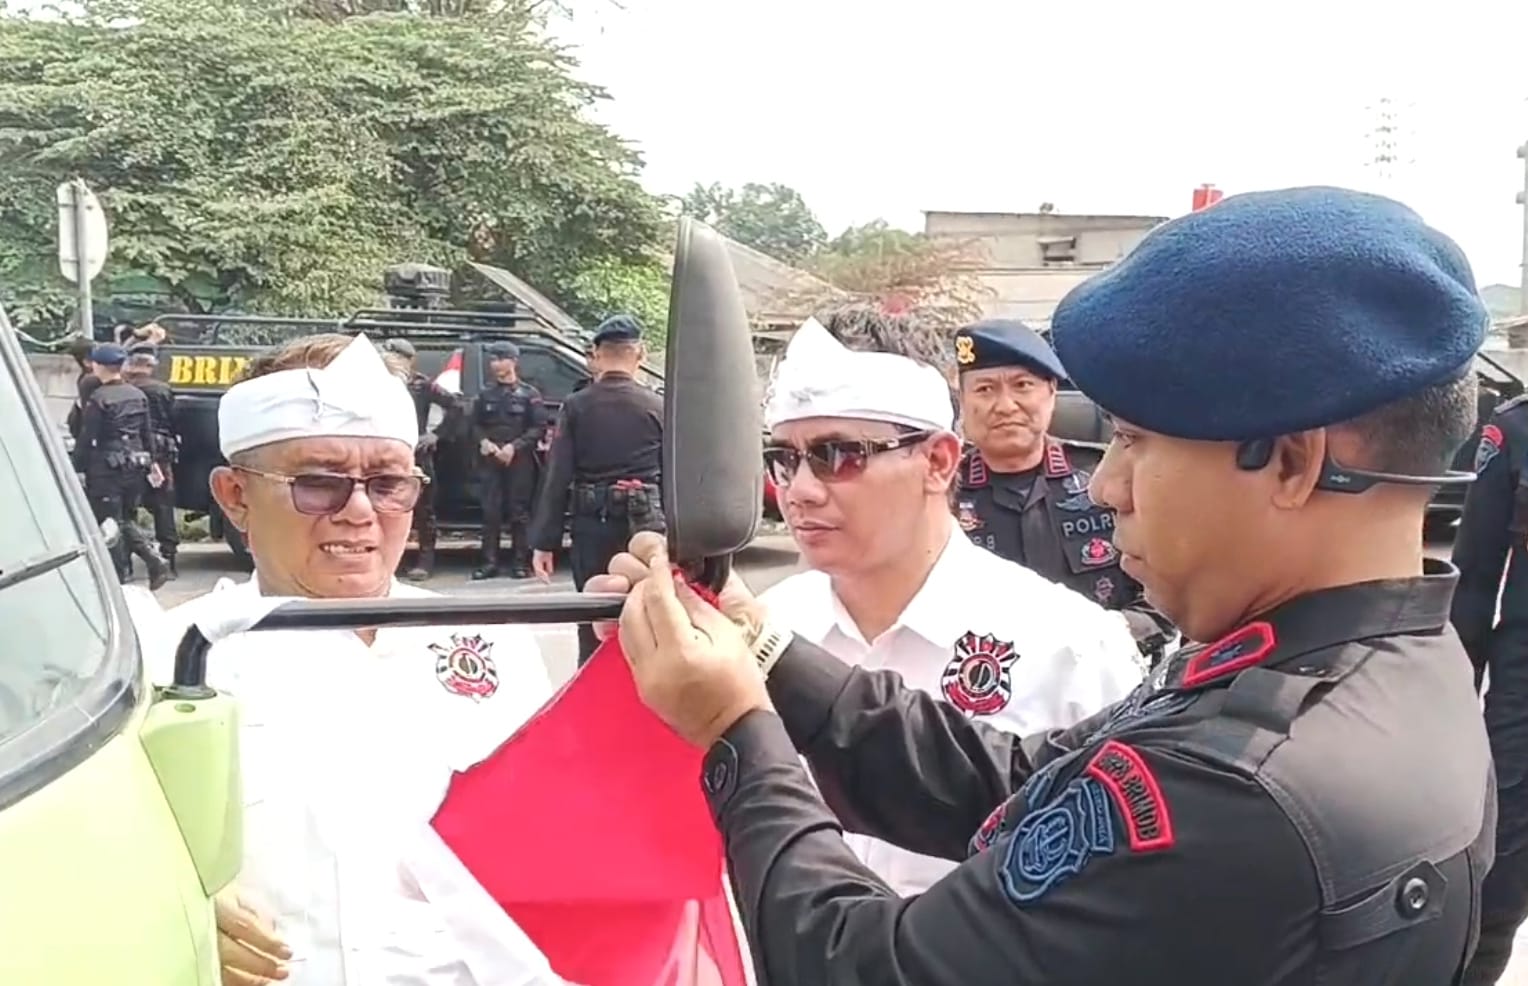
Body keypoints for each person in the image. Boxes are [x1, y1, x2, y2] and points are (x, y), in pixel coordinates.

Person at [593, 186, 1496, 985]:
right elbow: (1020, 782)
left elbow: (871, 967)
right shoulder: (1375, 670)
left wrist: (735, 733)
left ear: (1291, 462)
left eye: (1135, 441)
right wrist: (759, 650)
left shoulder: (1244, 786)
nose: (1106, 487)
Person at [151, 332, 559, 986]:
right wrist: (175, 913)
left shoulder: (491, 644)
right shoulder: (167, 663)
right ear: (234, 496)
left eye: (389, 484)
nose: (360, 512)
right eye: (318, 485)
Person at [757, 318, 1142, 894]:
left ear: (938, 462)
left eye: (838, 455)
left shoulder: (1072, 649)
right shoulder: (763, 630)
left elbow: (1124, 884)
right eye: (784, 459)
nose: (801, 491)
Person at [953, 318, 1176, 662]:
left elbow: (1167, 595)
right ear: (963, 401)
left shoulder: (1109, 479)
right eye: (985, 389)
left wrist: (1101, 640)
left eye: (1022, 385)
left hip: (1106, 669)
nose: (1005, 405)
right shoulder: (940, 493)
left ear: (1051, 392)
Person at [530, 314, 664, 665]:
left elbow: (557, 474)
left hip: (593, 521)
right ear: (640, 354)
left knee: (593, 614)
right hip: (648, 525)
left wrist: (545, 541)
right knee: (651, 613)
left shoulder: (577, 406)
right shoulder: (658, 406)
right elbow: (675, 475)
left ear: (597, 355)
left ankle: (592, 681)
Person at [1451, 394, 1528, 983]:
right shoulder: (1516, 431)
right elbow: (1474, 578)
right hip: (1523, 698)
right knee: (1496, 881)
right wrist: (1451, 702)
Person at [71, 343, 171, 590]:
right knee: (125, 517)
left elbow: (88, 437)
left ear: (98, 366)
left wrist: (77, 467)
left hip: (107, 468)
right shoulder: (137, 394)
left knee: (111, 522)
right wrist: (153, 463)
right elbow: (146, 433)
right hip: (136, 465)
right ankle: (146, 563)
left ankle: (130, 571)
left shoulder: (99, 398)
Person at [381, 337, 459, 582]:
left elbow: (456, 405)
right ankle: (389, 562)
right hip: (384, 454)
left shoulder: (420, 384)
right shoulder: (375, 383)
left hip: (415, 454)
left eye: (397, 356)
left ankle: (425, 561)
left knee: (423, 510)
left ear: (408, 360)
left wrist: (437, 434)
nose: (390, 360)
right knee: (387, 509)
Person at [470, 341, 547, 581]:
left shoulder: (529, 395)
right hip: (491, 460)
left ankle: (520, 563)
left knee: (519, 513)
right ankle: (489, 563)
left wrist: (515, 446)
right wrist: (483, 441)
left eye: (500, 358)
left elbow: (539, 427)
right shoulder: (485, 394)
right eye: (492, 359)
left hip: (519, 461)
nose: (495, 364)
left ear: (513, 361)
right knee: (490, 513)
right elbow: (474, 425)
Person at [123, 341, 181, 577]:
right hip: (160, 453)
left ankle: (126, 563)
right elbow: (173, 421)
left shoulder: (124, 389)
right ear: (151, 365)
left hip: (130, 452)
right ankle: (169, 559)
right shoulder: (162, 390)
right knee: (163, 506)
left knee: (127, 508)